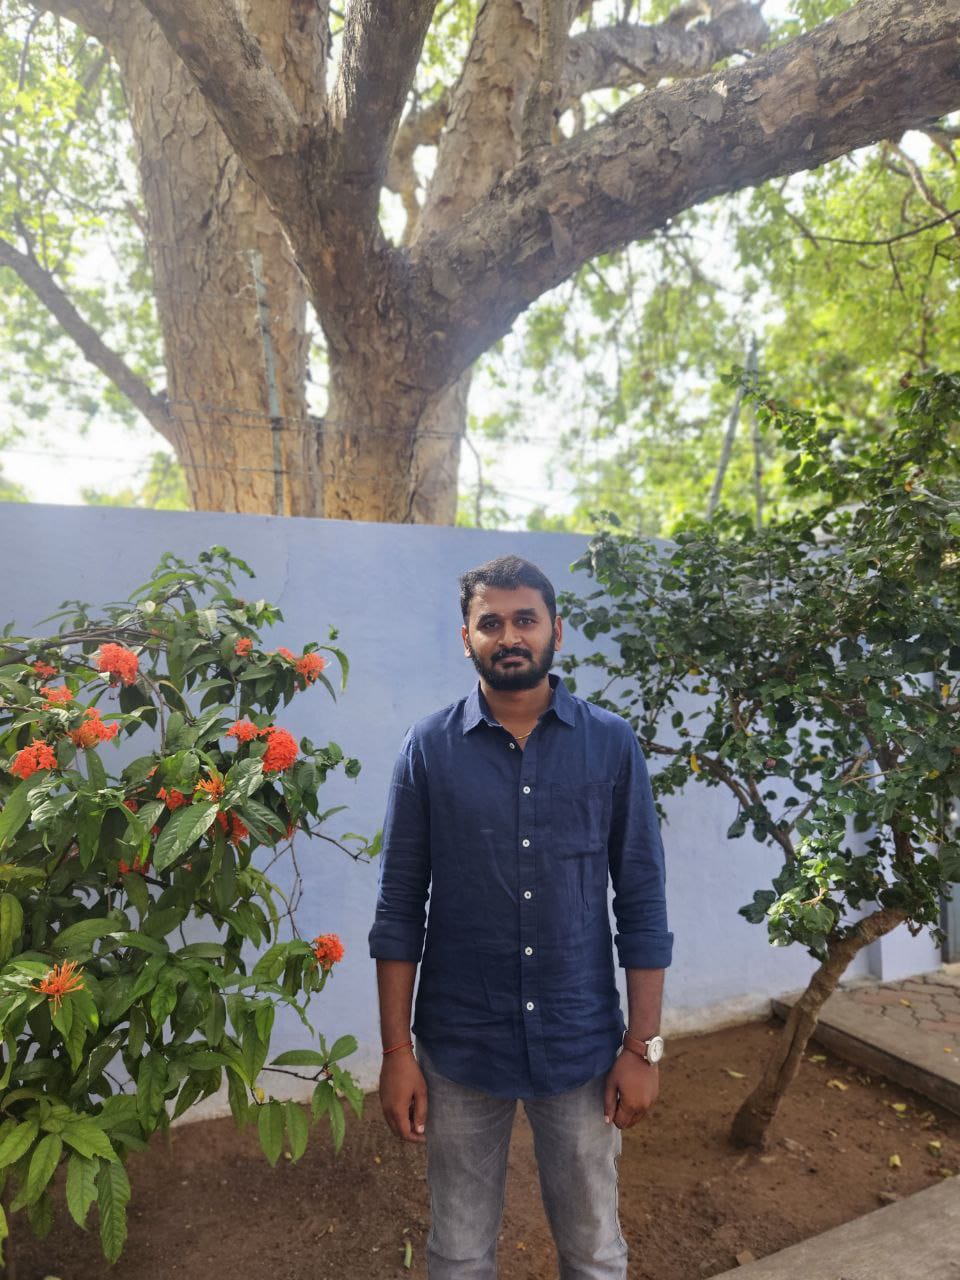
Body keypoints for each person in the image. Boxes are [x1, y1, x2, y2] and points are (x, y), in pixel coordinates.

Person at [369, 554, 673, 1279]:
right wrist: (396, 1052)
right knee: (458, 1252)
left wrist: (642, 1047)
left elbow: (641, 901)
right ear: (465, 638)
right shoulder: (428, 749)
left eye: (525, 620)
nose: (510, 636)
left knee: (594, 1250)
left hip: (580, 1044)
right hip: (460, 1046)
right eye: (491, 623)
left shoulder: (611, 745)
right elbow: (399, 907)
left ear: (555, 631)